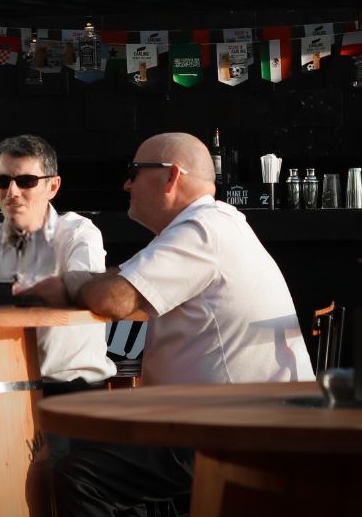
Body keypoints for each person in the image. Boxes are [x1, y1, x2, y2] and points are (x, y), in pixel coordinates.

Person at [22, 131, 313, 516]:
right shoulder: (204, 228)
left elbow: (114, 298)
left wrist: (71, 281)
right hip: (237, 421)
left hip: (238, 430)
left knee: (80, 475)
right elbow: (120, 285)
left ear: (171, 176)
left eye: (134, 171)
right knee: (105, 455)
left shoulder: (203, 230)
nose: (126, 184)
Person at [0, 134, 115, 395]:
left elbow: (82, 290)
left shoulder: (79, 232)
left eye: (26, 181)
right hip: (1, 389)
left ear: (53, 187)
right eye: (2, 181)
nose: (12, 192)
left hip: (71, 389)